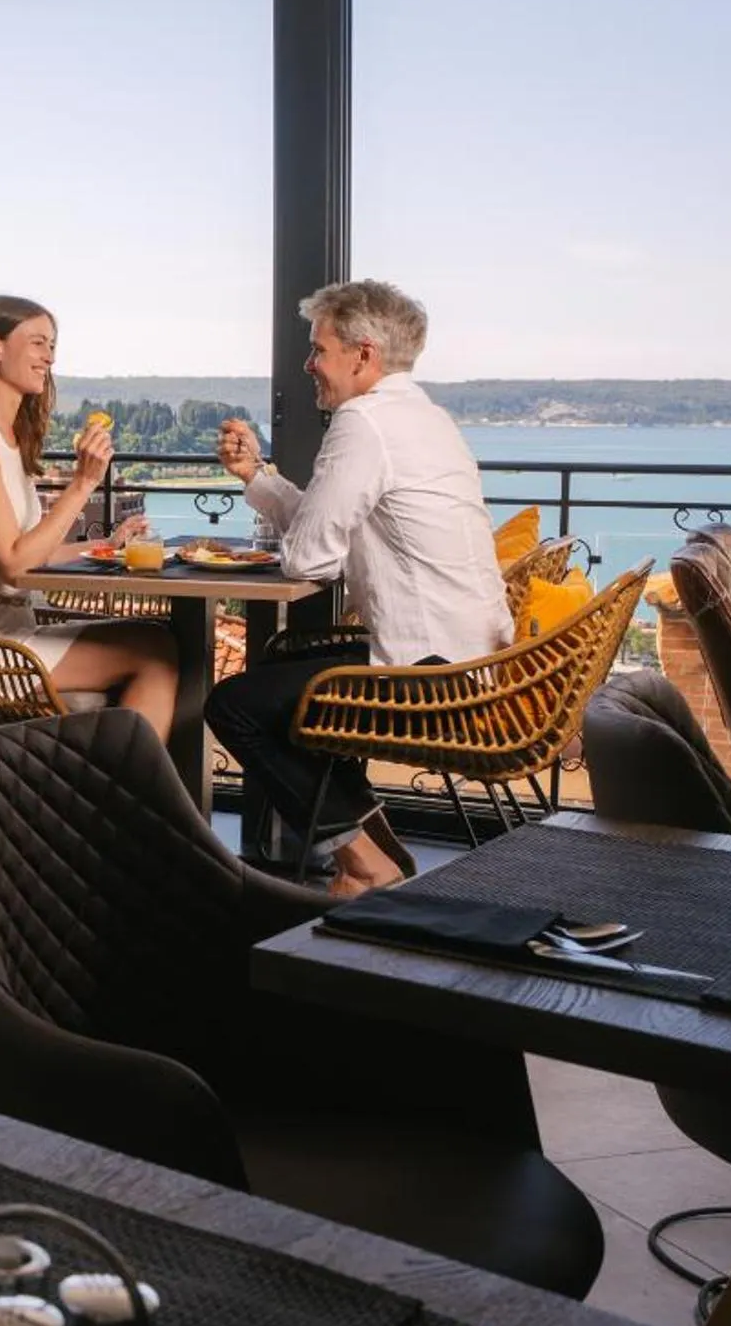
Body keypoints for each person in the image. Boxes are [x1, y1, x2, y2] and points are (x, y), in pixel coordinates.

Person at [207, 279, 510, 896]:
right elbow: (327, 532)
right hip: (471, 657)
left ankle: (363, 860)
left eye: (318, 349)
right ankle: (373, 848)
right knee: (279, 674)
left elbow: (309, 559)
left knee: (235, 704)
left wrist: (296, 533)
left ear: (363, 355)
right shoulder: (423, 417)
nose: (308, 363)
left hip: (428, 672)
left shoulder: (364, 422)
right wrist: (255, 476)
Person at [0, 295, 179, 741]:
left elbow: (34, 552)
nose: (50, 356)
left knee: (158, 639)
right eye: (38, 343)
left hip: (8, 627)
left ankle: (113, 795)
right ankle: (119, 799)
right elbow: (15, 564)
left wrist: (108, 546)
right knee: (155, 654)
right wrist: (82, 485)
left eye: (52, 345)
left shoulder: (8, 440)